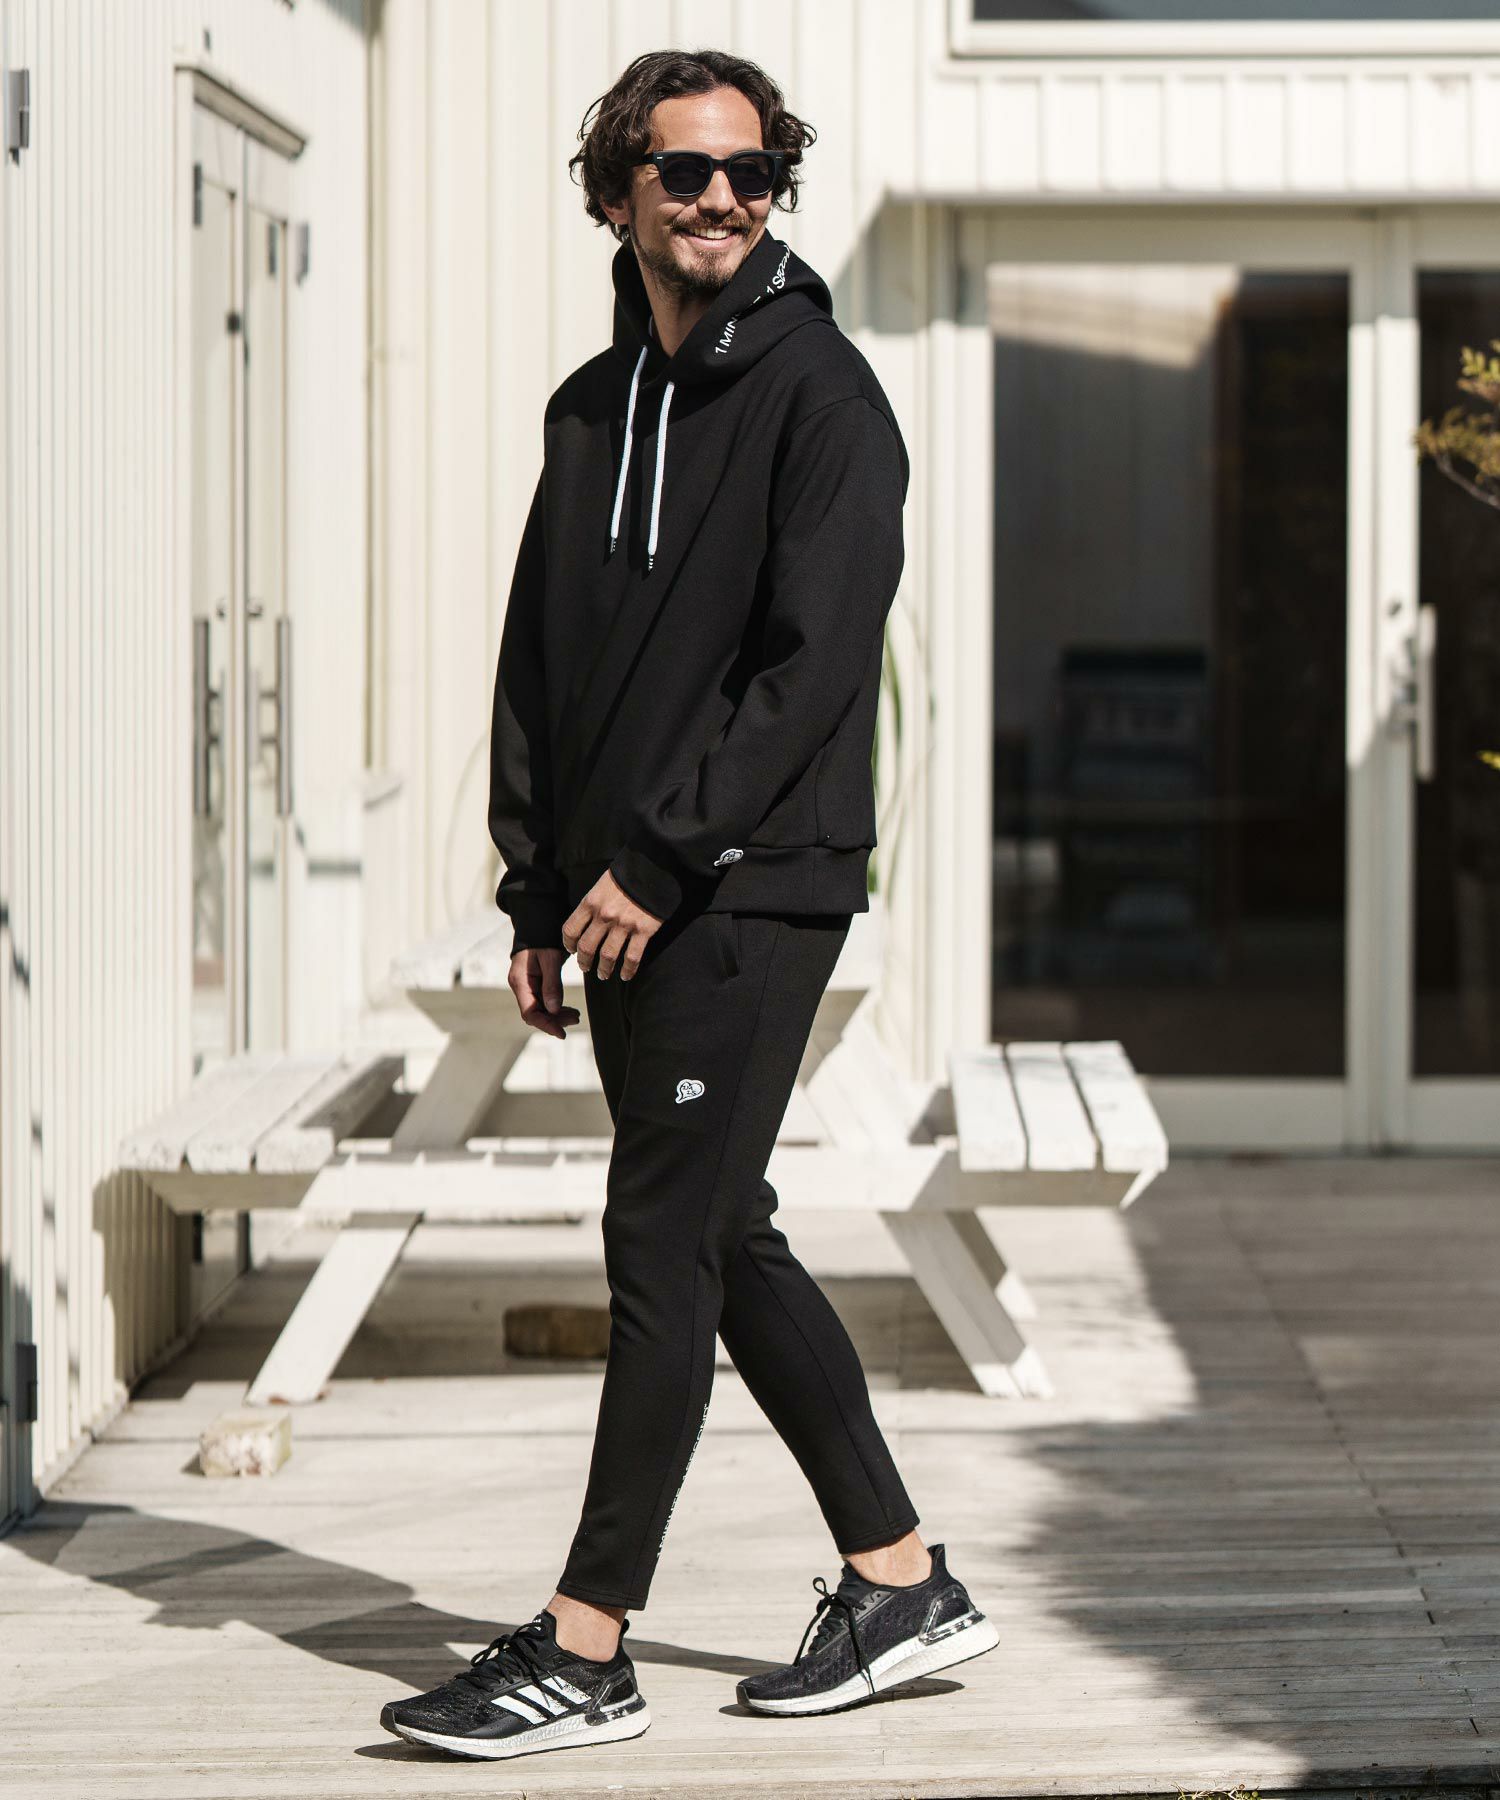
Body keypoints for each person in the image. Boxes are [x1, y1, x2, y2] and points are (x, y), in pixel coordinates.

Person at [380, 47, 995, 1764]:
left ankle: (587, 1645)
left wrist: (660, 860)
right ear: (617, 194)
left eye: (751, 170)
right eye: (684, 170)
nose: (723, 196)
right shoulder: (591, 409)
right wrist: (534, 882)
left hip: (751, 887)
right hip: (615, 899)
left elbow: (813, 668)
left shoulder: (824, 397)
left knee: (661, 1244)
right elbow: (540, 660)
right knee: (720, 1234)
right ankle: (900, 1579)